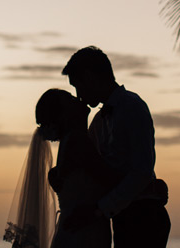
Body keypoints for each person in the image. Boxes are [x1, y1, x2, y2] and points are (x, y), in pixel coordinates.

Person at [62, 46, 171, 248]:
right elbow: (93, 169)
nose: (78, 96)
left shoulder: (132, 107)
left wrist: (98, 210)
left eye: (77, 86)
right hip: (122, 217)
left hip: (145, 217)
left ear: (89, 77)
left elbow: (141, 171)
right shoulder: (98, 122)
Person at [4, 89, 114, 248]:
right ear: (65, 114)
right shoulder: (77, 142)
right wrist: (149, 187)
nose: (79, 99)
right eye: (71, 98)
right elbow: (110, 180)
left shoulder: (70, 142)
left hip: (77, 231)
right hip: (83, 234)